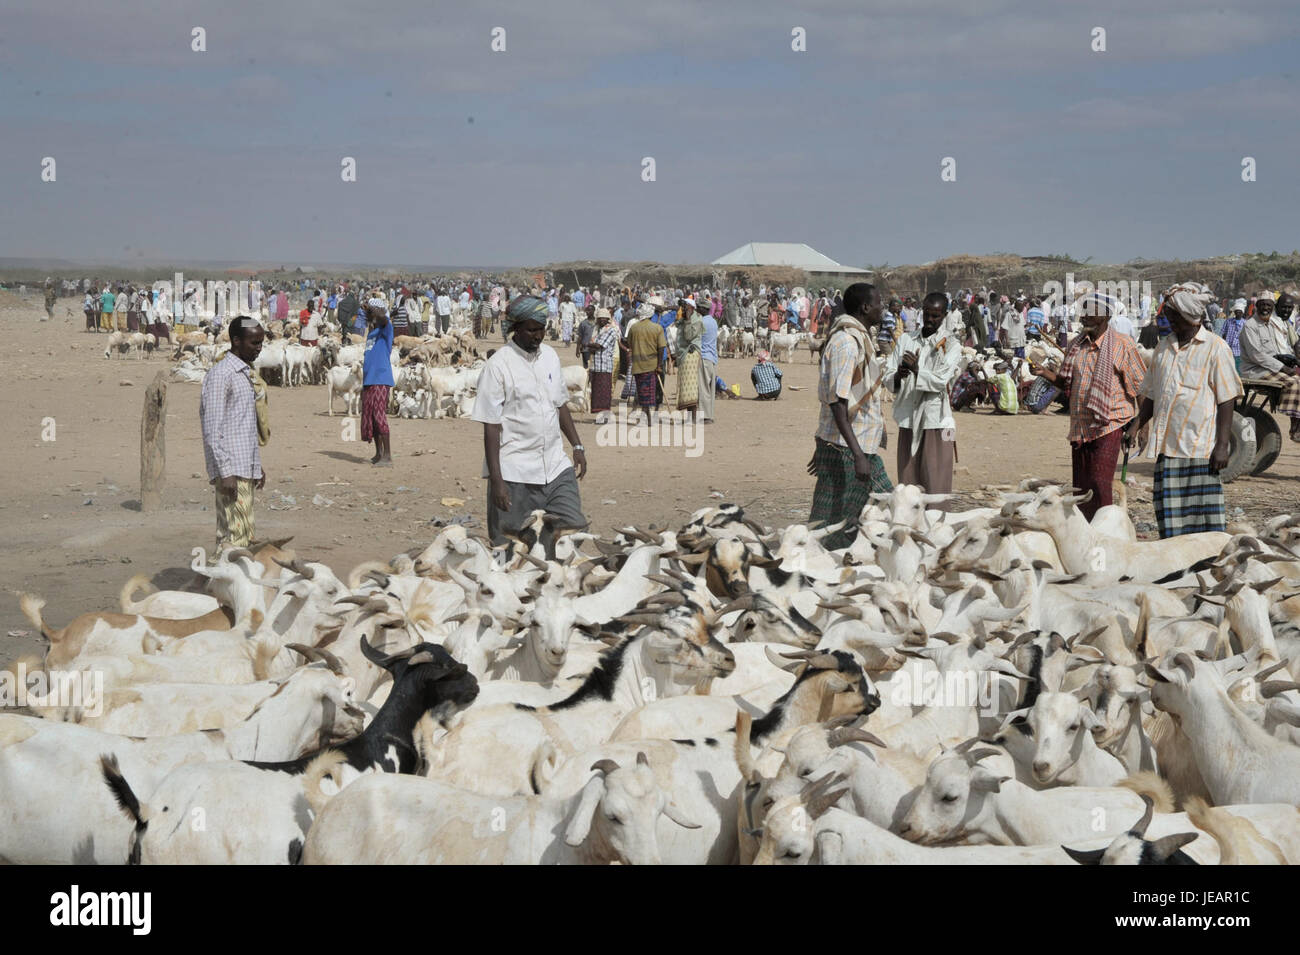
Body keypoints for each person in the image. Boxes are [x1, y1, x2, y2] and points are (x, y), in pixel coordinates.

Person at [472, 296, 588, 559]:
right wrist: (497, 481)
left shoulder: (549, 356)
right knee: (509, 549)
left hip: (555, 465)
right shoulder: (498, 365)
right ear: (515, 328)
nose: (537, 336)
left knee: (573, 528)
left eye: (541, 329)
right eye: (531, 330)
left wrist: (577, 445)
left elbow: (559, 404)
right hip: (516, 471)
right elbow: (490, 427)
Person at [1125, 283, 1242, 538]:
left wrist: (1222, 445)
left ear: (1190, 316)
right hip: (1168, 448)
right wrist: (1136, 425)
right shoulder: (1163, 348)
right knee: (1170, 519)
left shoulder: (1216, 347)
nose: (1169, 319)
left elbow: (1227, 399)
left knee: (1204, 523)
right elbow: (1153, 394)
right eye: (1168, 314)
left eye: (1174, 315)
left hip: (1200, 448)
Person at [1031, 293, 1147, 521]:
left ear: (1105, 315)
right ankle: (1085, 528)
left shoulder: (1122, 345)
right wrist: (1044, 373)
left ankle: (1106, 527)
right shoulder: (1076, 345)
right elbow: (1065, 383)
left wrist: (1142, 427)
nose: (1083, 317)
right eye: (1083, 312)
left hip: (1109, 424)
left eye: (1089, 312)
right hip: (1081, 426)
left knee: (1100, 483)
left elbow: (1140, 388)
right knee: (1081, 486)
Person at [808, 282, 893, 549]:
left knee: (838, 513)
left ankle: (825, 563)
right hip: (849, 447)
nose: (883, 307)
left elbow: (858, 392)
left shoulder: (859, 338)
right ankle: (814, 565)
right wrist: (857, 455)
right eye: (879, 302)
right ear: (866, 307)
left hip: (850, 441)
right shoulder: (846, 343)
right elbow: (837, 402)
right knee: (842, 514)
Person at [884, 291, 962, 502]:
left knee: (937, 484)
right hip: (908, 418)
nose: (929, 320)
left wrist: (918, 370)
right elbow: (888, 375)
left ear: (944, 315)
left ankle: (937, 528)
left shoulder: (952, 345)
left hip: (938, 421)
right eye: (926, 314)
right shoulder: (906, 340)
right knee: (908, 484)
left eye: (935, 316)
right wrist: (899, 375)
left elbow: (940, 381)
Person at [200, 316, 268, 552]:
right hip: (231, 470)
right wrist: (225, 472)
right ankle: (217, 584)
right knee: (234, 538)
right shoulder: (221, 376)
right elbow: (213, 428)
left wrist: (255, 466)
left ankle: (215, 583)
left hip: (244, 467)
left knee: (243, 534)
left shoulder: (244, 374)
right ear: (237, 341)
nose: (259, 349)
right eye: (254, 343)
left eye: (261, 343)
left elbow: (242, 427)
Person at [1238, 293, 1300, 441]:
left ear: (1273, 307)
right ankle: (1295, 427)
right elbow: (1256, 355)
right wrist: (1283, 368)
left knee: (1297, 378)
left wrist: (1287, 361)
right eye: (1263, 305)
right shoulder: (1250, 326)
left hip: (1268, 368)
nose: (1265, 308)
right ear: (1256, 306)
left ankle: (1296, 424)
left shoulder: (1269, 325)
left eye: (1269, 305)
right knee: (1293, 382)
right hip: (1255, 371)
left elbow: (1273, 352)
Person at [361, 303, 394, 467]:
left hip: (381, 378)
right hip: (369, 379)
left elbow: (382, 319)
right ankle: (379, 453)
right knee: (372, 418)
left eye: (372, 313)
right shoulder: (371, 334)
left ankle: (387, 455)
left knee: (379, 416)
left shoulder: (386, 329)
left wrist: (375, 310)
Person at [628, 302, 667, 423]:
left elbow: (629, 344)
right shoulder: (657, 328)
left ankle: (646, 416)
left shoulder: (634, 328)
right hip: (652, 365)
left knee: (642, 391)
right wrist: (659, 365)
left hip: (638, 365)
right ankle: (647, 416)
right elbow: (661, 347)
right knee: (650, 392)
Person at [675, 297, 704, 423]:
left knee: (691, 387)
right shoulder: (684, 319)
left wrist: (687, 319)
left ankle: (692, 417)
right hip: (684, 355)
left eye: (686, 307)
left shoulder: (696, 319)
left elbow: (688, 336)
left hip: (691, 354)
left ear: (691, 308)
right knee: (686, 387)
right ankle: (689, 417)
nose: (684, 309)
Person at [588, 308, 619, 424]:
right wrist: (590, 346)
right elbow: (592, 345)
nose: (601, 320)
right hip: (596, 365)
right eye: (599, 318)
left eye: (604, 319)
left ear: (608, 320)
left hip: (605, 366)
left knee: (604, 393)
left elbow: (599, 345)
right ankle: (599, 417)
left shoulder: (611, 331)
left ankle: (605, 417)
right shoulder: (597, 330)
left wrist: (588, 345)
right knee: (596, 392)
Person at [698, 295, 719, 424]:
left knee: (703, 388)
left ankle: (705, 416)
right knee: (710, 389)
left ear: (702, 309)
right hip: (712, 358)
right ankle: (709, 414)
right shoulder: (713, 321)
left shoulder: (702, 322)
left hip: (704, 357)